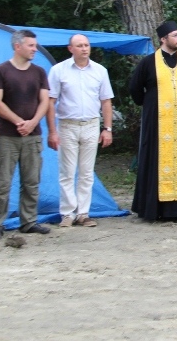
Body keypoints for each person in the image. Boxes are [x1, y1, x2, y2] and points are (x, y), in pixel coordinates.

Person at [129, 21, 177, 222]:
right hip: (157, 122)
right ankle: (153, 209)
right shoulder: (149, 62)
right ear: (163, 39)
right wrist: (149, 104)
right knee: (155, 161)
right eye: (175, 35)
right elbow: (135, 88)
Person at [46, 34, 114, 228]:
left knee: (86, 172)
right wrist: (52, 130)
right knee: (67, 171)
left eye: (86, 45)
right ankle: (67, 213)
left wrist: (107, 128)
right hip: (67, 124)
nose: (84, 49)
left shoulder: (99, 71)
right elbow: (50, 102)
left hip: (91, 124)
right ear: (70, 49)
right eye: (79, 45)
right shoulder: (59, 70)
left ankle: (83, 213)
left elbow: (106, 101)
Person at [0, 29, 51, 240]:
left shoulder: (39, 72)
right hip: (7, 136)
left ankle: (29, 222)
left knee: (31, 180)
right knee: (2, 182)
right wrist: (19, 122)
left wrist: (33, 122)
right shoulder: (0, 71)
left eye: (35, 46)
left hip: (33, 136)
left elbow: (45, 100)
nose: (35, 49)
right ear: (18, 46)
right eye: (31, 46)